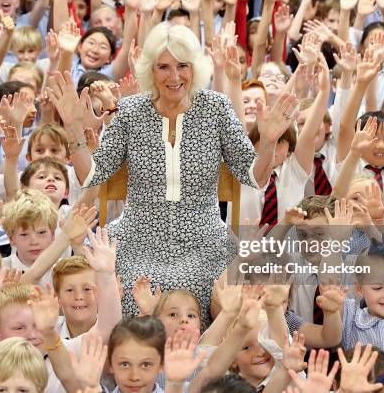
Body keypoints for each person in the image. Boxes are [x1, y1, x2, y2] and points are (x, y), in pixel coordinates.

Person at [48, 21, 301, 322]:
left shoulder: (216, 107)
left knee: (209, 298)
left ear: (195, 68)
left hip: (205, 241)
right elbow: (94, 174)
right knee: (122, 292)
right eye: (163, 67)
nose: (174, 76)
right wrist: (74, 129)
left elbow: (253, 176)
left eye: (183, 65)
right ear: (150, 71)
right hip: (136, 238)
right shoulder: (129, 111)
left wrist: (269, 142)